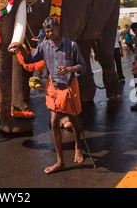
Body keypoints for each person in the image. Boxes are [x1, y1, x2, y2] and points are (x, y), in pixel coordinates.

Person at [8, 16, 86, 174]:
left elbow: (82, 65)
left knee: (74, 119)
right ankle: (60, 162)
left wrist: (70, 69)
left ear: (58, 28)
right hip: (53, 88)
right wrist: (20, 47)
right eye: (47, 32)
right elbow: (30, 58)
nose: (49, 34)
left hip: (70, 86)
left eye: (52, 30)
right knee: (54, 120)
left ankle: (78, 146)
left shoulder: (72, 45)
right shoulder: (44, 46)